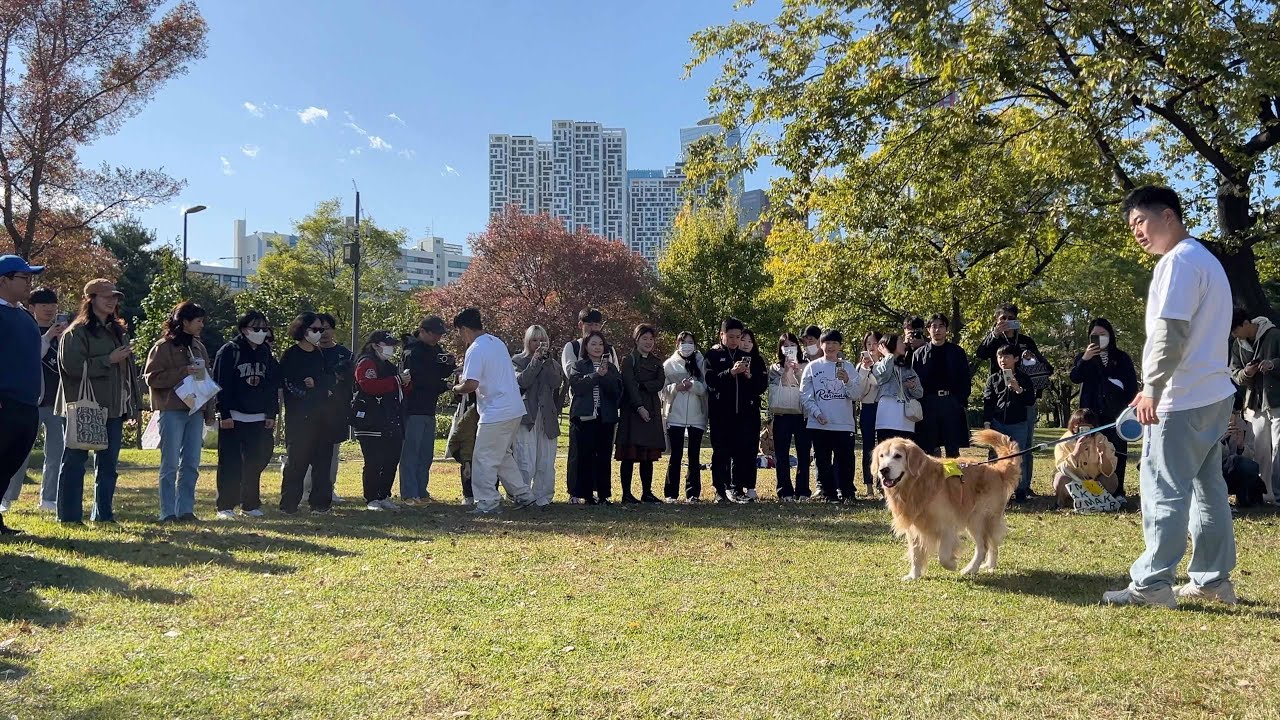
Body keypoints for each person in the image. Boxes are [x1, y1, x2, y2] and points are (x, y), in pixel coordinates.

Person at [1104, 185, 1238, 608]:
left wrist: (1151, 389)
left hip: (1181, 398)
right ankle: (1213, 580)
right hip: (1213, 394)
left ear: (1167, 215)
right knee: (1208, 489)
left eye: (1140, 222)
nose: (1137, 233)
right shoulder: (1207, 260)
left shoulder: (1178, 262)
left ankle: (1152, 585)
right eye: (1132, 227)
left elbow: (1171, 334)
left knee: (1163, 486)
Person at [56, 279, 143, 525]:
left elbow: (128, 373)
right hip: (83, 408)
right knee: (74, 462)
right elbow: (72, 367)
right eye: (106, 296)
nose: (112, 301)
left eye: (115, 297)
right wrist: (108, 359)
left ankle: (103, 515)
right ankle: (69, 516)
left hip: (114, 409)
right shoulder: (76, 332)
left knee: (108, 466)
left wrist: (134, 404)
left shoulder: (119, 331)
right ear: (90, 298)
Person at [451, 308, 538, 514]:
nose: (460, 337)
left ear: (464, 329)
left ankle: (487, 502)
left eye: (459, 332)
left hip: (495, 411)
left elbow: (471, 384)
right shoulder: (496, 342)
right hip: (514, 407)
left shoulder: (475, 349)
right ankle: (524, 496)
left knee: (483, 457)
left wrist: (455, 387)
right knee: (502, 456)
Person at [142, 301, 216, 522]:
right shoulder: (162, 347)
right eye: (198, 321)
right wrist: (183, 371)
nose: (202, 325)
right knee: (170, 463)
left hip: (195, 411)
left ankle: (185, 510)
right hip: (172, 410)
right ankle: (167, 512)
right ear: (184, 322)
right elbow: (152, 378)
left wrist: (209, 409)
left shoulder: (199, 347)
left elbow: (206, 380)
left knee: (191, 463)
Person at [2, 285, 67, 515]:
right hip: (30, 402)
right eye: (44, 305)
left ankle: (49, 499)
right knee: (18, 454)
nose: (49, 309)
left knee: (55, 454)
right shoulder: (26, 328)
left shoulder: (64, 333)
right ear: (32, 307)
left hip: (57, 403)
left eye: (53, 305)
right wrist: (48, 337)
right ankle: (7, 498)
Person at [212, 311, 280, 519]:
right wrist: (224, 413)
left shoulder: (265, 353)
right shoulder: (229, 351)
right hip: (233, 415)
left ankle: (250, 504)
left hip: (259, 417)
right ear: (244, 329)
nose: (260, 333)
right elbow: (220, 383)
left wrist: (271, 413)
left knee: (256, 462)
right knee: (230, 462)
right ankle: (225, 505)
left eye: (263, 329)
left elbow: (271, 384)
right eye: (255, 328)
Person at [0, 255, 51, 535]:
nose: (29, 282)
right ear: (4, 280)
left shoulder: (24, 317)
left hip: (27, 404)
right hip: (3, 403)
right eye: (23, 277)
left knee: (10, 462)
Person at [976, 303, 1051, 490]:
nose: (1007, 322)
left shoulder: (1025, 340)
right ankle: (993, 484)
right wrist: (994, 334)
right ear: (996, 320)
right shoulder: (994, 340)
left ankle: (1023, 486)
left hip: (1024, 398)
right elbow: (980, 353)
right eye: (1003, 318)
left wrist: (1030, 356)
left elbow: (1045, 367)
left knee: (1024, 446)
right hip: (1000, 397)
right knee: (996, 446)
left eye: (1011, 318)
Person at [1069, 318, 1139, 498]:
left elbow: (1131, 386)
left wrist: (1129, 407)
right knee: (1090, 449)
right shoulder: (1083, 357)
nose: (1099, 338)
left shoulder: (1121, 357)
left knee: (1117, 450)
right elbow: (1075, 377)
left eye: (1102, 334)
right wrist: (1085, 359)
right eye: (1094, 335)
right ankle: (1092, 490)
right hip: (1091, 413)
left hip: (1116, 413)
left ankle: (1117, 490)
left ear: (1110, 335)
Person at [278, 312, 336, 515]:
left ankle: (320, 504)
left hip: (322, 418)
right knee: (297, 464)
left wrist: (316, 386)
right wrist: (307, 390)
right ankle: (289, 505)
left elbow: (328, 383)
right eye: (315, 329)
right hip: (299, 419)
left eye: (322, 330)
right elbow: (288, 384)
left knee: (322, 464)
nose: (319, 333)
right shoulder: (291, 354)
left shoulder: (320, 354)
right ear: (302, 330)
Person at [705, 317, 768, 503]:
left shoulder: (746, 356)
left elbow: (759, 387)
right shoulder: (713, 355)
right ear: (722, 335)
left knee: (741, 453)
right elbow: (711, 381)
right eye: (730, 337)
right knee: (721, 452)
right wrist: (730, 373)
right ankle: (720, 490)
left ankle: (738, 488)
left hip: (743, 414)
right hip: (721, 414)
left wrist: (749, 376)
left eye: (738, 337)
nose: (734, 341)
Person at [801, 329, 867, 504]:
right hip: (819, 423)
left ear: (840, 346)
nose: (830, 347)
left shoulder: (848, 367)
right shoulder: (812, 367)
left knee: (845, 460)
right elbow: (806, 395)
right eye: (827, 343)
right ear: (820, 345)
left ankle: (847, 493)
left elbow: (856, 394)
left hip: (843, 424)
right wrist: (816, 413)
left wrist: (847, 380)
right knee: (822, 460)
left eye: (834, 344)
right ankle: (828, 494)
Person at [400, 316, 457, 504]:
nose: (437, 338)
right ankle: (409, 493)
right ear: (422, 331)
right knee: (411, 453)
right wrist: (444, 386)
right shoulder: (412, 351)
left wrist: (449, 366)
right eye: (434, 334)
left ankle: (421, 491)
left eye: (440, 335)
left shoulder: (436, 349)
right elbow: (419, 380)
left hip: (429, 408)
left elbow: (439, 372)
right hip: (413, 408)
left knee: (425, 454)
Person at [352, 331, 408, 511]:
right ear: (376, 345)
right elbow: (369, 386)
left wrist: (406, 381)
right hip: (371, 420)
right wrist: (397, 380)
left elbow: (399, 388)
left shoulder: (389, 366)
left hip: (390, 419)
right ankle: (371, 498)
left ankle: (384, 494)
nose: (391, 348)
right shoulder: (367, 362)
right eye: (387, 344)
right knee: (374, 461)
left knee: (391, 460)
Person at [567, 331, 625, 504]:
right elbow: (577, 387)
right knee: (583, 456)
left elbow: (616, 391)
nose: (597, 347)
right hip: (584, 418)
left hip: (605, 418)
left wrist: (605, 375)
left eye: (600, 344)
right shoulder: (579, 365)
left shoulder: (611, 368)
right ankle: (583, 493)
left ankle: (603, 494)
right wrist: (595, 375)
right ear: (586, 346)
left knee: (603, 457)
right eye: (593, 343)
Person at [1229, 309, 1279, 503]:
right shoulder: (1238, 346)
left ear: (1245, 324)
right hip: (1255, 403)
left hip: (1276, 399)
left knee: (1278, 447)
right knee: (1260, 449)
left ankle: (1277, 492)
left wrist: (1273, 364)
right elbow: (1234, 373)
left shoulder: (1274, 335)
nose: (1234, 335)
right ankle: (1265, 493)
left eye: (1235, 331)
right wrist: (1247, 373)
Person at [302, 313, 352, 505]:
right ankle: (305, 490)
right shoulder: (307, 352)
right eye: (318, 329)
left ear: (333, 330)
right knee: (307, 450)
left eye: (326, 329)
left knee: (332, 452)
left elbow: (348, 381)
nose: (322, 333)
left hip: (336, 411)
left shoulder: (345, 354)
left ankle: (327, 489)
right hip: (311, 411)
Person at [512, 325, 564, 506]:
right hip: (527, 415)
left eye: (542, 340)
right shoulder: (517, 361)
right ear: (527, 341)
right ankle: (522, 495)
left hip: (547, 416)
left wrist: (547, 362)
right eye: (534, 340)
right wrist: (534, 361)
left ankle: (543, 497)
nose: (538, 344)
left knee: (546, 459)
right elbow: (522, 381)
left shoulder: (553, 363)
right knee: (525, 458)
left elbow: (556, 382)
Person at [616, 324, 666, 504]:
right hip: (632, 411)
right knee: (629, 454)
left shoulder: (656, 361)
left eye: (651, 339)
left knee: (648, 456)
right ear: (637, 339)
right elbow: (629, 384)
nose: (648, 342)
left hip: (652, 408)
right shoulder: (628, 360)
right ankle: (627, 493)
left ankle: (647, 492)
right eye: (645, 338)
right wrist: (639, 406)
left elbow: (660, 382)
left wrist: (643, 384)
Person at [911, 314, 970, 458]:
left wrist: (958, 401)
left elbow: (965, 380)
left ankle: (953, 480)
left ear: (946, 329)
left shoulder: (957, 352)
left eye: (941, 326)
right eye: (934, 326)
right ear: (928, 330)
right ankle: (930, 480)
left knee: (952, 450)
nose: (937, 330)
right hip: (928, 405)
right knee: (928, 449)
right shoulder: (918, 354)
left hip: (950, 403)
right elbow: (914, 381)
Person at [982, 345, 1036, 500]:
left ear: (1016, 359)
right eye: (999, 357)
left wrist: (1018, 389)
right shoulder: (993, 378)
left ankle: (1021, 490)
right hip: (998, 422)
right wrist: (987, 422)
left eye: (1006, 357)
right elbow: (988, 402)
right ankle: (994, 487)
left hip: (1018, 422)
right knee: (995, 455)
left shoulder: (1024, 378)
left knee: (1020, 456)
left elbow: (1030, 400)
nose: (1002, 360)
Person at [562, 308, 605, 501]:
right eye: (589, 325)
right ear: (581, 326)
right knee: (578, 453)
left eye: (597, 325)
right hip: (581, 406)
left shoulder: (607, 348)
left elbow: (613, 373)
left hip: (602, 407)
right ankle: (575, 491)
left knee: (598, 452)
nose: (593, 328)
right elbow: (572, 375)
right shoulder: (571, 347)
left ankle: (593, 492)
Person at [661, 331, 708, 503]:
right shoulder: (669, 365)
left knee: (694, 456)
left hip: (697, 416)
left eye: (690, 342)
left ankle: (693, 493)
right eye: (683, 342)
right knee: (676, 455)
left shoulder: (701, 363)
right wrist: (676, 388)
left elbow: (706, 388)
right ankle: (671, 493)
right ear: (677, 344)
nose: (686, 345)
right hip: (675, 416)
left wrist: (694, 386)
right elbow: (662, 391)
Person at [768, 332, 811, 501]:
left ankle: (803, 490)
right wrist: (785, 371)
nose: (789, 349)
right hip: (782, 414)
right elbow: (774, 390)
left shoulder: (806, 365)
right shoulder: (774, 368)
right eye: (785, 346)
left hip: (801, 415)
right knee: (781, 453)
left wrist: (797, 371)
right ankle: (784, 490)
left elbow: (807, 388)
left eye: (792, 345)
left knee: (803, 453)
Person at [1051, 409, 1121, 512]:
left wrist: (1103, 455)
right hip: (1073, 481)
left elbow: (1108, 471)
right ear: (1073, 426)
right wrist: (1075, 452)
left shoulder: (1101, 439)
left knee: (1112, 479)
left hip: (1095, 483)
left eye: (1087, 426)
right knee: (1060, 478)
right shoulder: (1064, 442)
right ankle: (1062, 502)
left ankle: (1098, 500)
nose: (1083, 430)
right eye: (1078, 426)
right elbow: (1062, 468)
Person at [872, 334, 923, 443]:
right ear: (891, 344)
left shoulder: (908, 368)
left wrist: (912, 387)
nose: (904, 344)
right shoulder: (878, 365)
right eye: (900, 341)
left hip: (906, 419)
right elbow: (883, 375)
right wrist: (888, 356)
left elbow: (919, 393)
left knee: (905, 455)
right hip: (886, 418)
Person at [1222, 411, 1266, 508]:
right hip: (1219, 470)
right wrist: (1222, 439)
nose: (1233, 417)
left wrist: (1241, 446)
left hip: (1237, 471)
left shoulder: (1246, 426)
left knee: (1245, 465)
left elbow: (1250, 458)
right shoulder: (1214, 424)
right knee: (1233, 461)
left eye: (1236, 414)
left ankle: (1245, 499)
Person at [857, 331, 883, 496]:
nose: (871, 347)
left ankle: (882, 484)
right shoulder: (860, 367)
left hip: (882, 408)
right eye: (868, 344)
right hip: (867, 408)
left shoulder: (884, 365)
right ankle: (868, 485)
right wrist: (865, 370)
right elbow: (859, 392)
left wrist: (874, 368)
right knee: (867, 447)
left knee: (883, 446)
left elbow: (882, 385)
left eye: (875, 343)